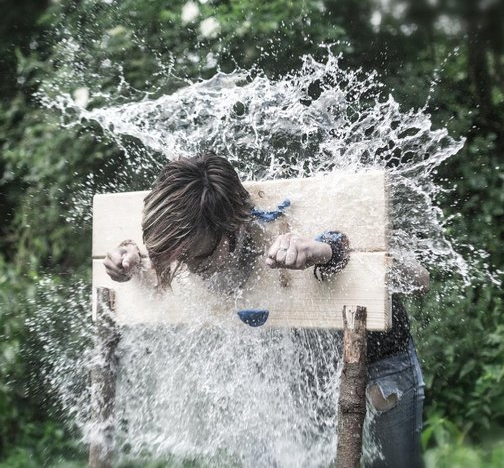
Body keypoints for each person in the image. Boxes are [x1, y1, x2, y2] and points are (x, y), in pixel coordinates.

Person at [103, 152, 427, 467]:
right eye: (177, 259)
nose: (187, 268)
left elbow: (420, 277)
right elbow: (158, 252)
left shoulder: (268, 217)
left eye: (196, 258)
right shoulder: (186, 229)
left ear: (231, 229)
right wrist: (130, 256)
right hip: (304, 372)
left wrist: (329, 251)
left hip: (380, 363)